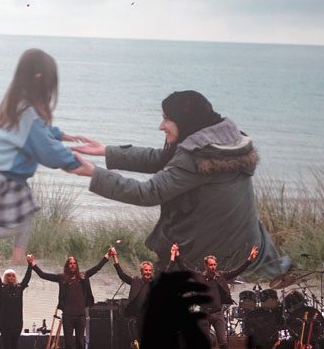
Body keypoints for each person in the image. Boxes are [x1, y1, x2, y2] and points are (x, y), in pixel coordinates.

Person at [69, 90, 285, 276]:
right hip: (249, 245)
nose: (161, 126)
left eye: (166, 119)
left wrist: (94, 173)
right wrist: (107, 151)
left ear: (185, 120)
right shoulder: (225, 142)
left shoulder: (198, 156)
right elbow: (163, 159)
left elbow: (147, 193)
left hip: (214, 254)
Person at [0, 48, 87, 264]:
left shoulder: (15, 103)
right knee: (11, 225)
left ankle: (18, 258)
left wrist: (62, 135)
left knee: (27, 213)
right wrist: (74, 162)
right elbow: (46, 149)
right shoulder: (28, 113)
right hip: (4, 174)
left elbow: (36, 133)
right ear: (40, 79)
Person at [172, 242, 259, 349]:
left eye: (214, 265)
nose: (213, 267)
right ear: (206, 266)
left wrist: (249, 260)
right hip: (204, 314)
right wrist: (178, 256)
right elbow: (184, 269)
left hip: (218, 314)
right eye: (211, 265)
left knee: (223, 341)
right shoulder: (199, 277)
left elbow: (237, 271)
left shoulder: (220, 276)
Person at [32, 249, 110, 349]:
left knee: (80, 342)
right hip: (68, 316)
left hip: (80, 315)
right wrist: (32, 264)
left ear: (77, 265)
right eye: (70, 263)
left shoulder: (83, 276)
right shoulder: (62, 278)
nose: (72, 265)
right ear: (67, 265)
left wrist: (107, 256)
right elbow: (43, 275)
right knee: (68, 343)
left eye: (74, 263)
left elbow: (97, 268)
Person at [109, 246, 153, 349]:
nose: (148, 272)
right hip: (136, 316)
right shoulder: (135, 281)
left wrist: (173, 256)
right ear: (142, 271)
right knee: (136, 342)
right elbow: (121, 274)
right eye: (146, 270)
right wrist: (115, 256)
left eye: (150, 270)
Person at [0, 255, 34, 349]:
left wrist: (30, 264)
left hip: (17, 321)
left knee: (15, 346)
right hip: (4, 321)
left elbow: (27, 278)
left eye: (12, 276)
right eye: (8, 275)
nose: (11, 277)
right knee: (6, 346)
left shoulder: (19, 288)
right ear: (5, 277)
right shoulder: (1, 288)